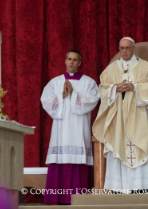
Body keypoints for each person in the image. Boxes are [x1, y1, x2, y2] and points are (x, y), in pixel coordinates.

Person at [92, 37, 148, 193]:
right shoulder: (112, 68)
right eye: (121, 48)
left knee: (140, 143)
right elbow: (102, 88)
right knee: (119, 143)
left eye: (127, 48)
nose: (124, 51)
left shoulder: (145, 67)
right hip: (119, 116)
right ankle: (119, 187)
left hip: (139, 115)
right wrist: (114, 88)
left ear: (134, 49)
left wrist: (134, 87)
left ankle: (143, 186)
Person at [40, 49, 99, 204]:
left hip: (79, 129)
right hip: (60, 129)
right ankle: (57, 198)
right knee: (60, 159)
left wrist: (74, 94)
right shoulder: (55, 82)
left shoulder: (88, 82)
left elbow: (92, 101)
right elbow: (45, 100)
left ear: (80, 63)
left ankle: (79, 199)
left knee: (78, 162)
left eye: (75, 60)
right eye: (69, 59)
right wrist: (62, 96)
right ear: (65, 61)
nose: (71, 62)